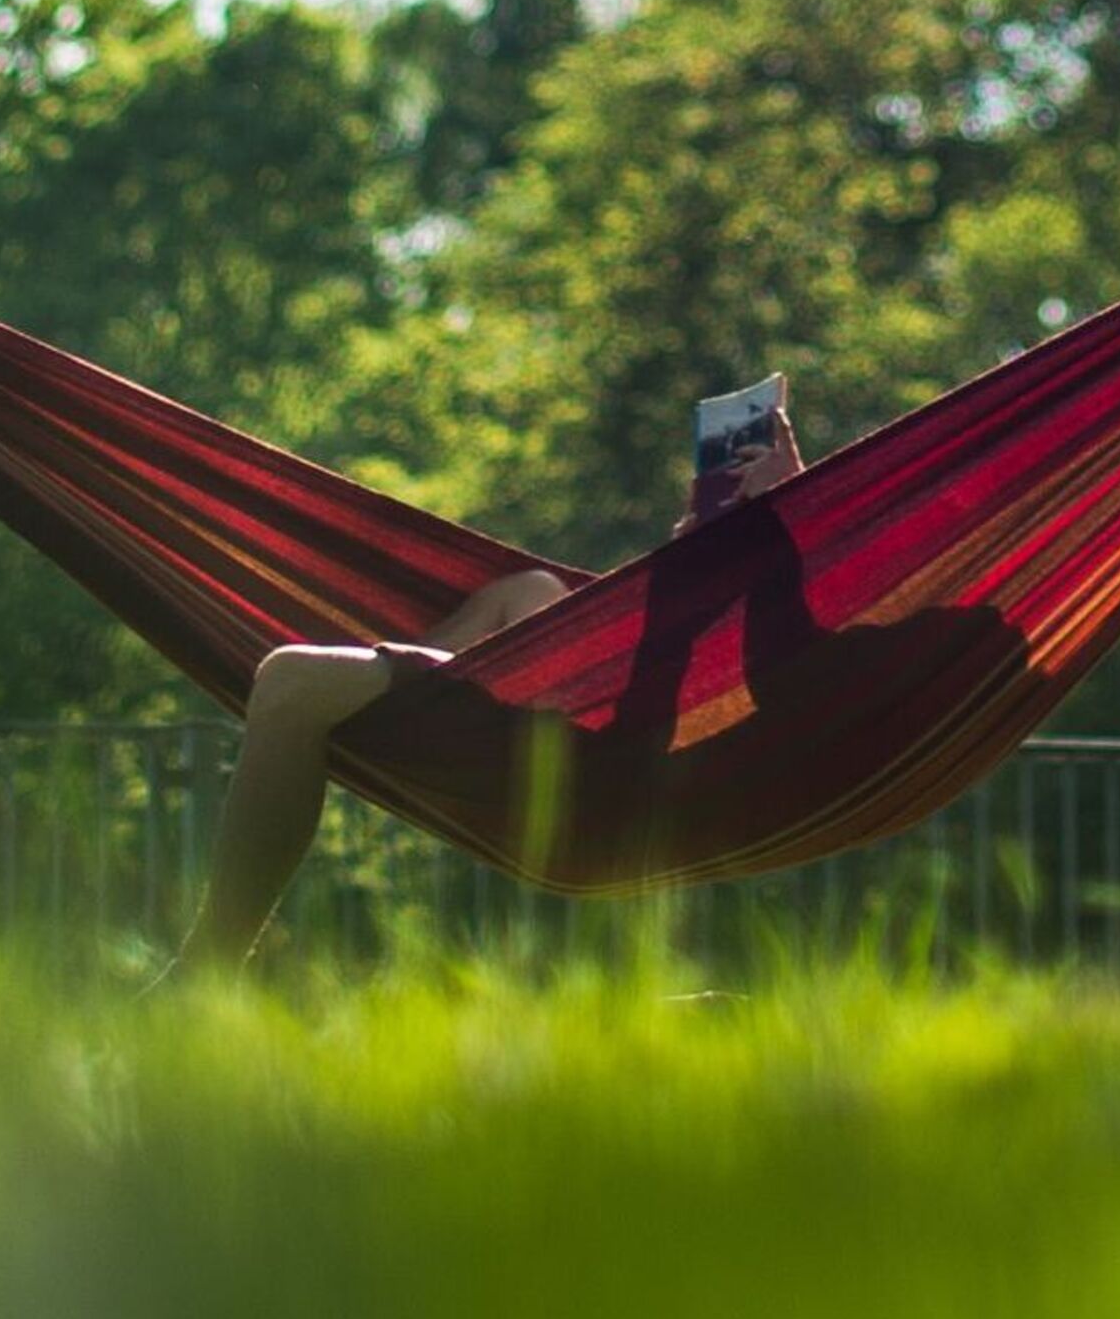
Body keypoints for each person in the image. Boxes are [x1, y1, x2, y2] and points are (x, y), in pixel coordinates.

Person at [175, 404, 806, 970]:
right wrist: (699, 540)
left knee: (292, 679)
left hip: (597, 747)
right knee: (529, 589)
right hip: (583, 686)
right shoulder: (738, 574)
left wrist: (780, 518)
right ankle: (401, 684)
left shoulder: (768, 620)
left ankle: (206, 966)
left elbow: (730, 668)